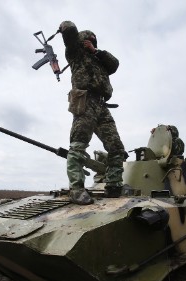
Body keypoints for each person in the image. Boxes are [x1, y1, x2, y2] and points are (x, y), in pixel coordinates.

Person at [59, 20, 128, 205]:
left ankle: (113, 186)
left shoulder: (100, 60)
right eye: (88, 40)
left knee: (116, 147)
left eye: (93, 41)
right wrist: (67, 26)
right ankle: (76, 189)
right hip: (85, 101)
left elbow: (115, 64)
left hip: (102, 105)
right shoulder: (75, 55)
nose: (91, 43)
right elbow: (70, 35)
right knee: (79, 143)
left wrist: (95, 51)